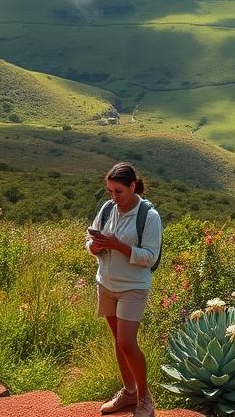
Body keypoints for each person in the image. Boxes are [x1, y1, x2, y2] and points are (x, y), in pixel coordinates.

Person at [86, 163, 162, 417]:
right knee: (119, 343)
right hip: (106, 284)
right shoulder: (108, 209)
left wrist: (118, 246)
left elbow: (150, 257)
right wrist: (95, 247)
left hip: (133, 288)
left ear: (133, 186)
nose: (113, 197)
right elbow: (90, 242)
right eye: (109, 191)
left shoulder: (149, 216)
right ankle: (128, 392)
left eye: (118, 191)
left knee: (127, 342)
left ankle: (145, 399)